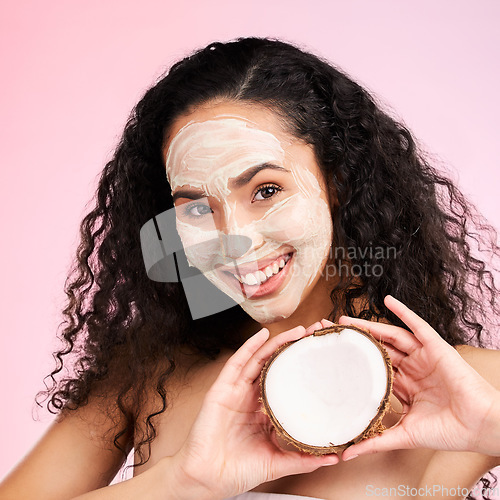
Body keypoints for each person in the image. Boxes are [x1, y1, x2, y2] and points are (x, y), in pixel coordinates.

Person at [1, 37, 499, 500]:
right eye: (195, 207)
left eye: (265, 190)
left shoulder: (464, 383)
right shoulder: (149, 376)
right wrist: (183, 480)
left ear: (339, 181)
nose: (231, 241)